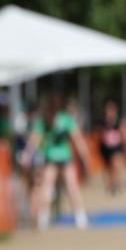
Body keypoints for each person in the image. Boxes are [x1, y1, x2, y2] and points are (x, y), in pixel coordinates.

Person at [21, 93, 91, 230]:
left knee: (72, 187)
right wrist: (27, 156)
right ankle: (43, 218)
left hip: (65, 159)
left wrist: (85, 157)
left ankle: (80, 216)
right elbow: (34, 141)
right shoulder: (43, 122)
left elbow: (77, 139)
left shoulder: (66, 120)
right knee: (47, 187)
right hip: (51, 159)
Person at [98, 100, 126, 195]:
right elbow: (99, 134)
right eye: (108, 110)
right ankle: (110, 184)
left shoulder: (119, 121)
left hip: (117, 147)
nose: (109, 112)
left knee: (117, 165)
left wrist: (125, 140)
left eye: (111, 110)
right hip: (106, 148)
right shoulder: (103, 121)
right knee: (108, 168)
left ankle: (116, 183)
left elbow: (125, 132)